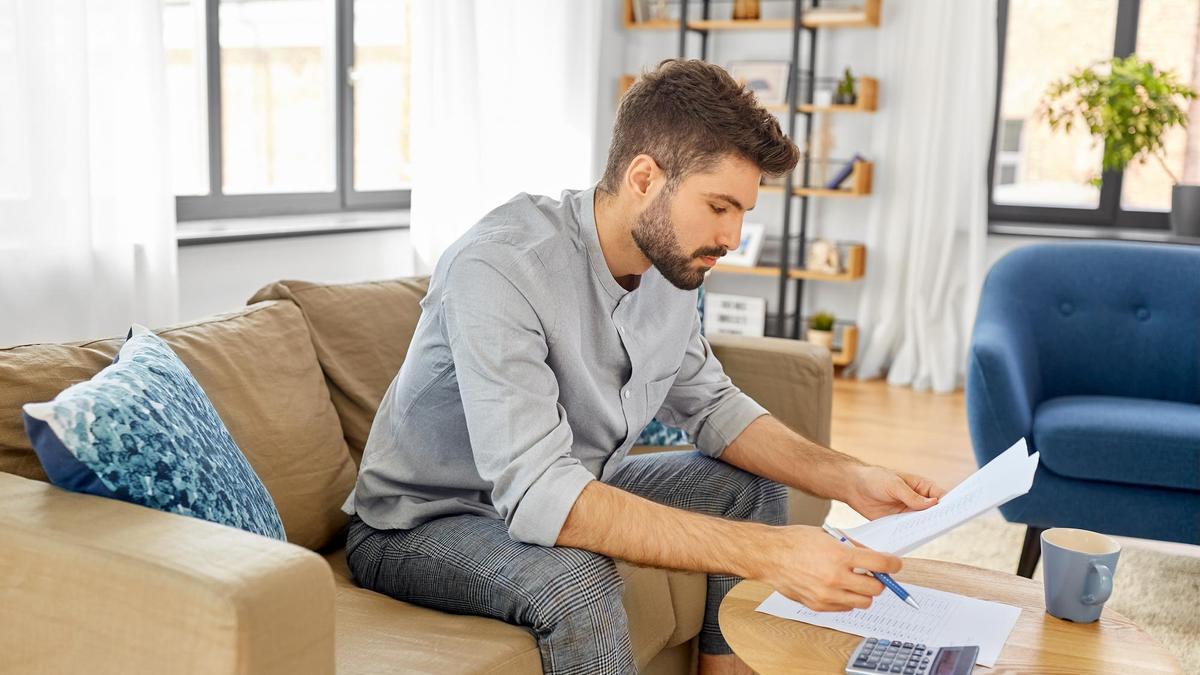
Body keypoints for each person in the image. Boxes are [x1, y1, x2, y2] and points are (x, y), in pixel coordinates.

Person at [343, 58, 946, 675]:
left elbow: (712, 407)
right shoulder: (501, 268)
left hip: (572, 482)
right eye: (718, 206)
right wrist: (771, 555)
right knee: (576, 579)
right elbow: (540, 495)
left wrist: (852, 478)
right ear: (643, 177)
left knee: (747, 485)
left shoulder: (671, 266)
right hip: (420, 525)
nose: (733, 235)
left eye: (742, 212)